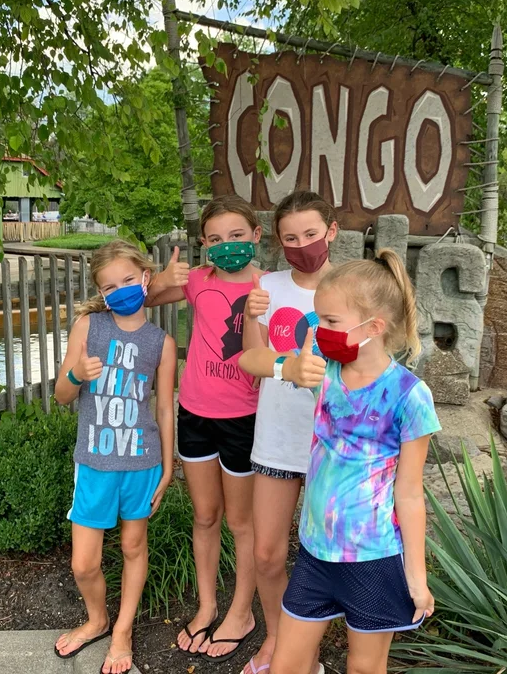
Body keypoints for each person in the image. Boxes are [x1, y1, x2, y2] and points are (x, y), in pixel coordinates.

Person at [238, 251, 440, 674]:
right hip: (315, 552)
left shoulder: (409, 394)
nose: (318, 329)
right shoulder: (323, 371)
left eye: (330, 321)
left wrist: (416, 579)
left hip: (374, 558)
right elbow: (248, 360)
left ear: (374, 327)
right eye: (317, 319)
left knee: (365, 668)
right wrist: (288, 367)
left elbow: (410, 493)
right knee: (285, 667)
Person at [145, 195, 265, 662]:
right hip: (195, 414)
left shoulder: (267, 287)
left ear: (256, 236)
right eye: (215, 239)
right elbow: (147, 298)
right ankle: (208, 603)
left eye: (237, 235)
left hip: (246, 419)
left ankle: (242, 610)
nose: (227, 245)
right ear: (203, 244)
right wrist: (160, 279)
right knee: (205, 516)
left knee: (241, 521)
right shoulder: (197, 281)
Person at [53, 240, 177, 674]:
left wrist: (167, 465)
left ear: (146, 278)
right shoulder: (90, 327)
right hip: (94, 463)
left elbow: (163, 408)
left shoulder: (161, 343)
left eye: (128, 280)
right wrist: (75, 374)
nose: (120, 290)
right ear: (101, 294)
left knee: (132, 545)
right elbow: (61, 395)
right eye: (110, 286)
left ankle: (121, 630)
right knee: (83, 563)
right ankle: (97, 618)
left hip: (141, 463)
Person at [240, 190, 339, 674]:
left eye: (311, 234)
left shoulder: (354, 286)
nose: (302, 244)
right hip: (277, 438)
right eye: (291, 237)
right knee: (266, 553)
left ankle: (306, 653)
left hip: (335, 446)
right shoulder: (267, 287)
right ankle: (278, 639)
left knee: (319, 560)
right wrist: (288, 367)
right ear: (278, 242)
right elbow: (249, 358)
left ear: (332, 232)